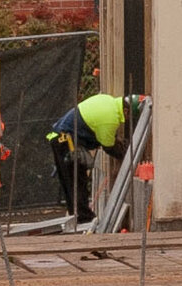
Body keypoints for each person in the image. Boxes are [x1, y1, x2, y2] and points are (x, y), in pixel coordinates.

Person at [45, 81, 129, 220]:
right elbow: (108, 146)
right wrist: (124, 153)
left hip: (61, 137)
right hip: (67, 141)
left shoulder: (108, 100)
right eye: (129, 115)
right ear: (125, 111)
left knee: (71, 181)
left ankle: (77, 215)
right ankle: (83, 218)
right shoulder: (111, 118)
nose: (127, 119)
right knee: (77, 180)